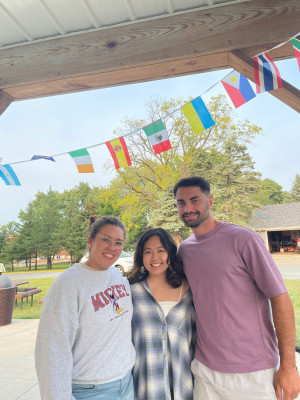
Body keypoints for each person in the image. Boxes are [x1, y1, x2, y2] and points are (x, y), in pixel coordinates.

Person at [173, 176, 300, 400]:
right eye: (181, 203)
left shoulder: (243, 239)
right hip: (205, 370)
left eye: (194, 200)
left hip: (253, 371)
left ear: (210, 201)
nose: (187, 208)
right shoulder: (184, 251)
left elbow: (280, 298)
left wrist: (289, 366)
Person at [35, 216, 136, 400]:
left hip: (126, 384)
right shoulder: (68, 284)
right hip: (90, 391)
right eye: (105, 239)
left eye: (118, 242)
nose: (112, 247)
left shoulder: (117, 276)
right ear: (90, 241)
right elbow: (52, 352)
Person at [128, 227, 196, 400]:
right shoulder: (130, 292)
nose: (155, 257)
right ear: (141, 256)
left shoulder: (189, 291)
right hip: (146, 386)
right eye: (148, 252)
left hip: (183, 384)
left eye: (161, 251)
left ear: (170, 254)